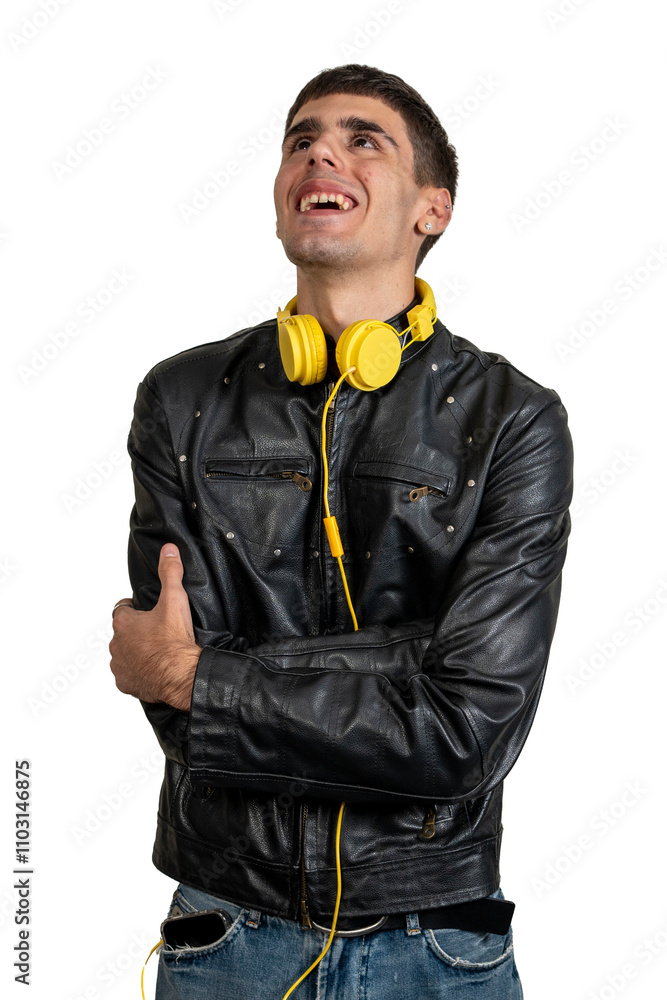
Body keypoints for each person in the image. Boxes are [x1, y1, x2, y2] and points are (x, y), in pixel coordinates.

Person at [109, 63, 573, 999]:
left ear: (432, 209)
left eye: (364, 140)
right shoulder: (182, 399)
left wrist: (207, 676)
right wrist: (406, 664)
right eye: (301, 140)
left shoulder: (512, 419)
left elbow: (466, 733)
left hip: (437, 942)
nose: (321, 153)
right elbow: (174, 712)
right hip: (228, 933)